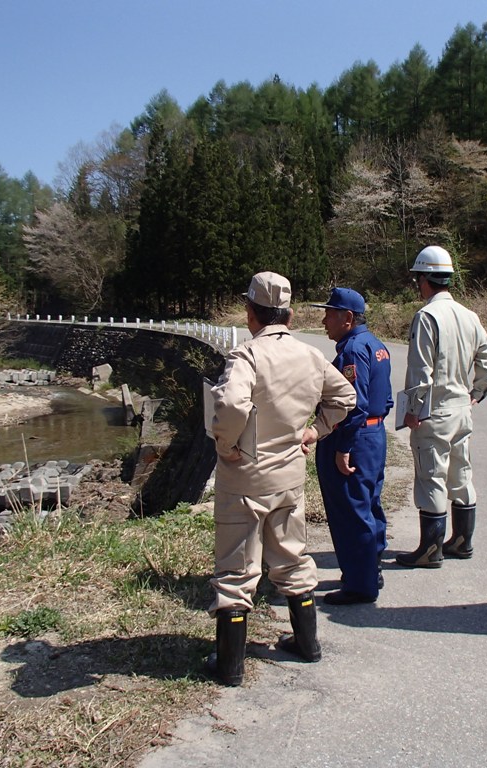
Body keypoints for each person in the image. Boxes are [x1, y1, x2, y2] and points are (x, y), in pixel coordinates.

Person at [207, 271, 356, 685]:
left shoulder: (246, 356)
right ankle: (308, 646)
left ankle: (230, 668)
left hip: (245, 478)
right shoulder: (310, 356)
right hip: (289, 476)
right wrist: (315, 430)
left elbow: (233, 406)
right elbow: (345, 397)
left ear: (251, 312)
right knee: (292, 560)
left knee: (237, 571)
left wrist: (226, 445)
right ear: (289, 314)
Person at [396, 245, 487, 569]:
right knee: (461, 474)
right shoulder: (469, 316)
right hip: (461, 407)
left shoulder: (427, 316)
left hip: (435, 411)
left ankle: (430, 549)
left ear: (424, 279)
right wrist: (478, 391)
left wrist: (413, 409)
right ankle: (463, 540)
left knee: (431, 477)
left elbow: (420, 370)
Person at [310, 287, 393, 605]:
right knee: (369, 505)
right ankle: (371, 569)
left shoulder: (352, 351)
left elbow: (352, 405)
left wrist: (343, 447)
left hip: (354, 438)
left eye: (329, 313)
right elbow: (382, 399)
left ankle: (360, 585)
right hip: (373, 435)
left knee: (351, 511)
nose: (323, 320)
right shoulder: (376, 345)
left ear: (347, 318)